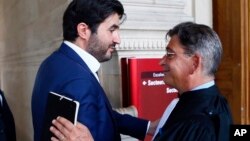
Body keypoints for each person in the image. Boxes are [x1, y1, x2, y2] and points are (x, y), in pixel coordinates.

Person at [50, 21, 234, 141]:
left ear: (194, 63)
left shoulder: (200, 126)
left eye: (170, 54)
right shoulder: (207, 102)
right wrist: (149, 127)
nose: (161, 61)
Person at [31, 0, 154, 141]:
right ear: (83, 30)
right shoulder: (79, 82)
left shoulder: (53, 62)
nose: (118, 39)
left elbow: (101, 115)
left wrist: (148, 127)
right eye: (112, 30)